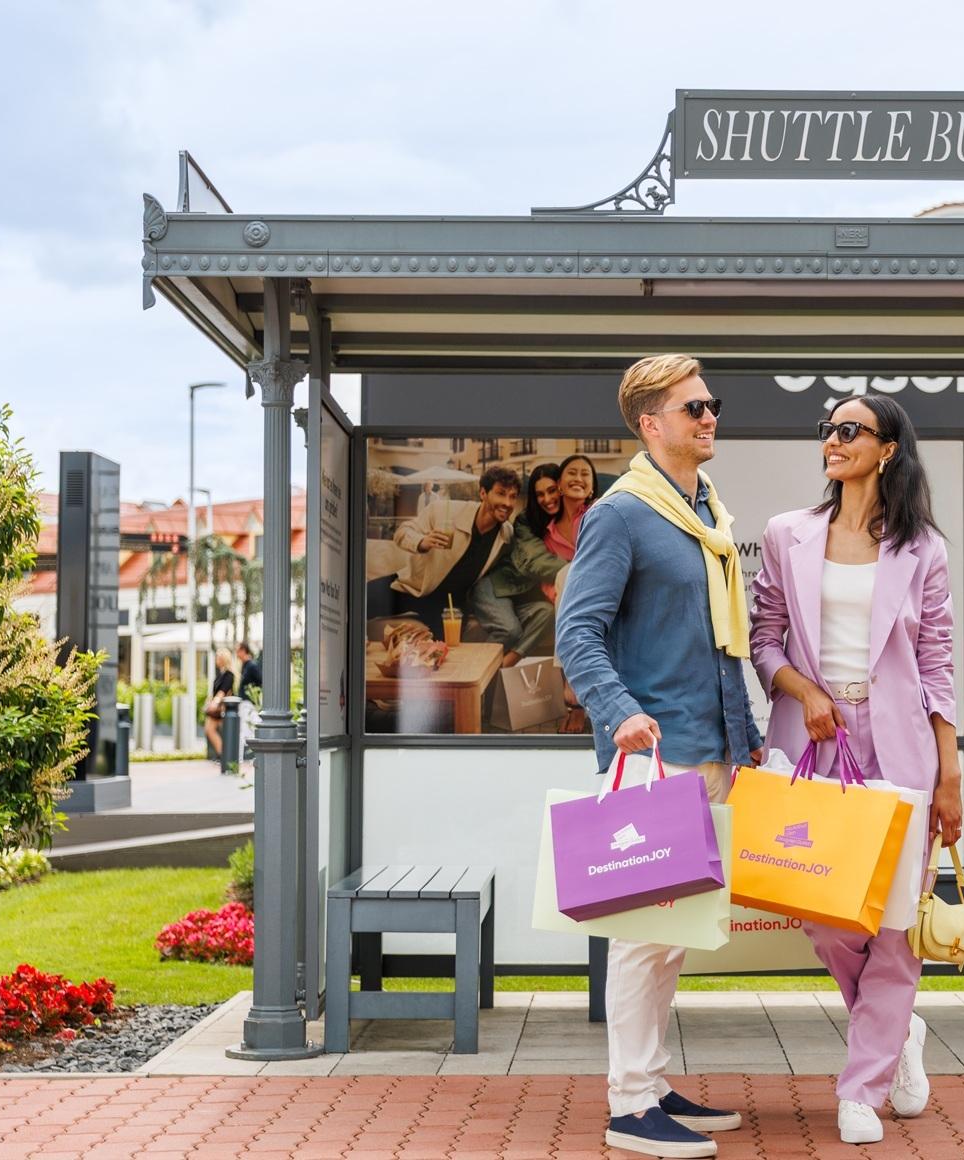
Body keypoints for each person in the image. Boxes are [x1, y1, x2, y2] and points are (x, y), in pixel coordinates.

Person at [557, 354, 761, 1160]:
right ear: (650, 424)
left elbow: (717, 646)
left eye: (713, 405)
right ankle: (630, 1106)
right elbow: (577, 632)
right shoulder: (621, 515)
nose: (711, 418)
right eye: (694, 408)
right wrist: (620, 712)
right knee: (644, 933)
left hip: (710, 749)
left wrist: (744, 737)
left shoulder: (706, 509)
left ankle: (651, 1080)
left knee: (674, 934)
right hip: (657, 755)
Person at [749, 394, 961, 1147]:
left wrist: (950, 770)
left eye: (849, 430)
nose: (833, 440)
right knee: (828, 915)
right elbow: (764, 640)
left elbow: (936, 662)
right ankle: (897, 1030)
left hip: (901, 742)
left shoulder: (922, 549)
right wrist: (804, 691)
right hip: (816, 742)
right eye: (828, 430)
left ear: (888, 449)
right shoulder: (788, 534)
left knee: (895, 925)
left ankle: (861, 1089)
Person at [470, 458, 600, 667]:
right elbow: (536, 562)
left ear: (560, 487)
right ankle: (476, 672)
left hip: (525, 595)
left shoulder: (565, 522)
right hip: (498, 587)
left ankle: (503, 665)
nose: (547, 499)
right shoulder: (526, 521)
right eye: (540, 494)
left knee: (547, 614)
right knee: (509, 630)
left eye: (551, 490)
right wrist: (583, 574)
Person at [367, 466, 522, 640]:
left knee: (444, 646)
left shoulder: (507, 535)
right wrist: (421, 542)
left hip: (449, 603)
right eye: (501, 493)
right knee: (356, 600)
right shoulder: (443, 510)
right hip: (411, 587)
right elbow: (402, 532)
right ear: (483, 493)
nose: (507, 503)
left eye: (513, 496)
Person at [203, 648, 235, 761]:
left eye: (218, 657)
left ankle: (223, 755)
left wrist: (214, 703)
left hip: (222, 708)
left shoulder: (229, 674)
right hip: (218, 708)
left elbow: (223, 691)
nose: (216, 659)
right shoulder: (220, 674)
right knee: (216, 731)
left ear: (223, 659)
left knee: (212, 730)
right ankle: (223, 755)